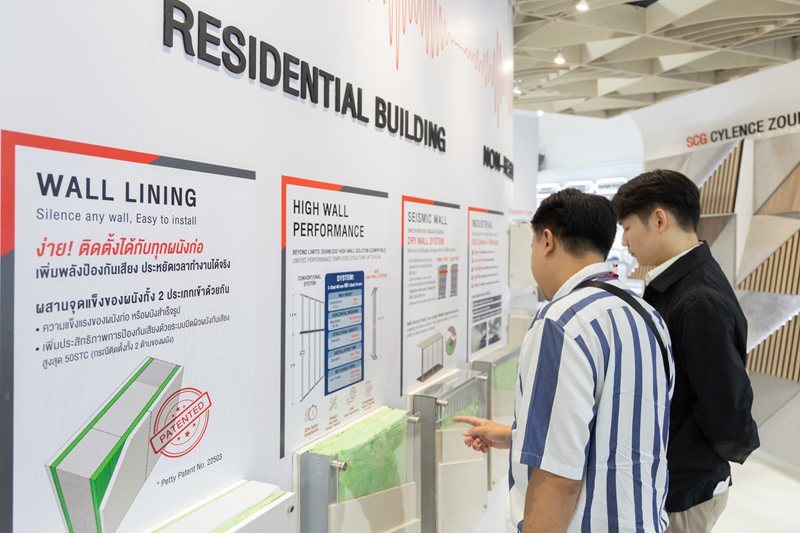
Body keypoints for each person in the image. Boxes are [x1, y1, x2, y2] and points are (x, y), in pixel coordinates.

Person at [455, 188, 674, 533]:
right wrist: (516, 436)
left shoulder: (560, 322)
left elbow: (560, 474)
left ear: (546, 241)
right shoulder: (646, 315)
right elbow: (614, 427)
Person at [612, 169, 759, 533]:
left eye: (627, 228)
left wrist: (702, 457)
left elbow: (726, 410)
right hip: (674, 476)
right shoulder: (681, 283)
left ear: (659, 220)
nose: (625, 242)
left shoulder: (697, 299)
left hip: (685, 487)